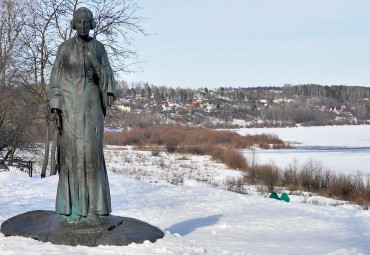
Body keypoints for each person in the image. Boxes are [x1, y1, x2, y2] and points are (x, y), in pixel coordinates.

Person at [49, 7, 116, 223]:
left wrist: (94, 61)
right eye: (79, 22)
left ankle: (95, 209)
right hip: (69, 107)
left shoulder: (99, 47)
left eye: (87, 22)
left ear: (92, 24)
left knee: (92, 155)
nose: (83, 26)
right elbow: (55, 80)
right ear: (73, 24)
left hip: (93, 106)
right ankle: (71, 209)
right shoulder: (65, 48)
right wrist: (56, 108)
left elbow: (108, 77)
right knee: (72, 155)